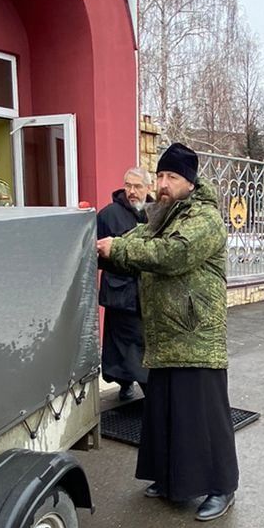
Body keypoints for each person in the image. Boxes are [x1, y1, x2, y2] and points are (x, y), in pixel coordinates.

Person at [97, 143, 238, 521]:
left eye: (171, 177)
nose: (163, 183)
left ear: (189, 182)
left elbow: (172, 255)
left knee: (203, 416)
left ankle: (222, 486)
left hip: (196, 334)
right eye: (159, 176)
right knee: (165, 413)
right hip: (163, 334)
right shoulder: (162, 216)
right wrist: (102, 251)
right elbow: (137, 244)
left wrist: (119, 251)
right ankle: (169, 478)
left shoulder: (204, 219)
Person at [97, 168, 153, 402]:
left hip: (148, 291)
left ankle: (143, 384)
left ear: (148, 188)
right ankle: (127, 383)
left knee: (144, 342)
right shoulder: (108, 215)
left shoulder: (157, 213)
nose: (131, 191)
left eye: (137, 186)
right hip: (121, 291)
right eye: (128, 185)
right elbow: (96, 252)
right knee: (125, 343)